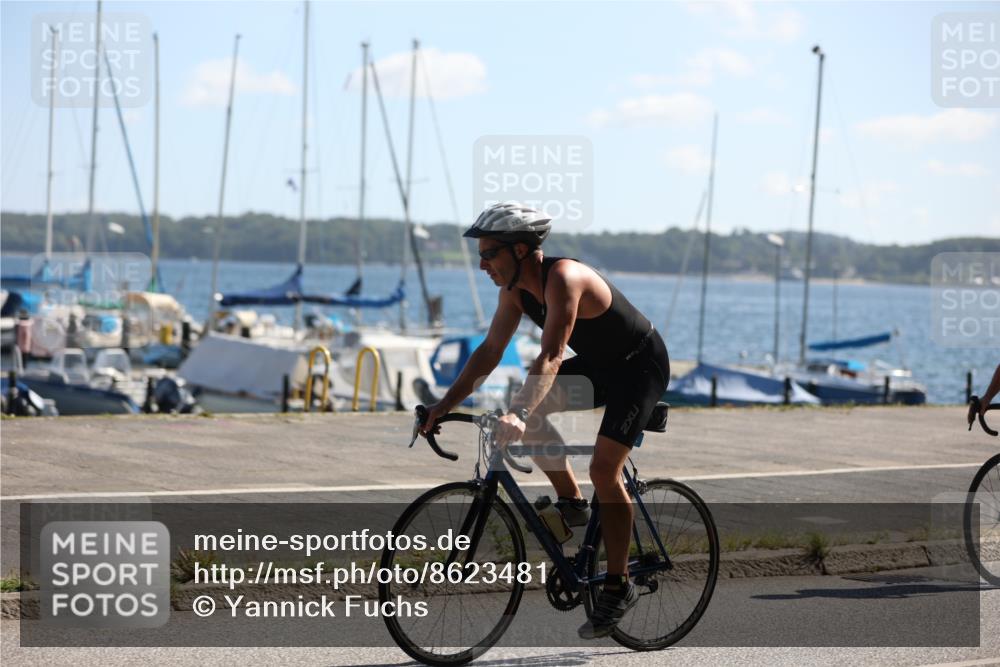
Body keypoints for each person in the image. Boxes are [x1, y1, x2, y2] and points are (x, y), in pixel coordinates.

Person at [420, 202, 670, 638]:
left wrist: (519, 414)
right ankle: (572, 504)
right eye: (479, 256)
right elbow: (489, 352)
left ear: (520, 250)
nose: (482, 265)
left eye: (489, 254)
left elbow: (552, 354)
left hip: (639, 369)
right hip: (599, 367)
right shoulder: (514, 291)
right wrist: (443, 404)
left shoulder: (565, 279)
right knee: (527, 407)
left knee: (603, 469)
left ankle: (618, 583)